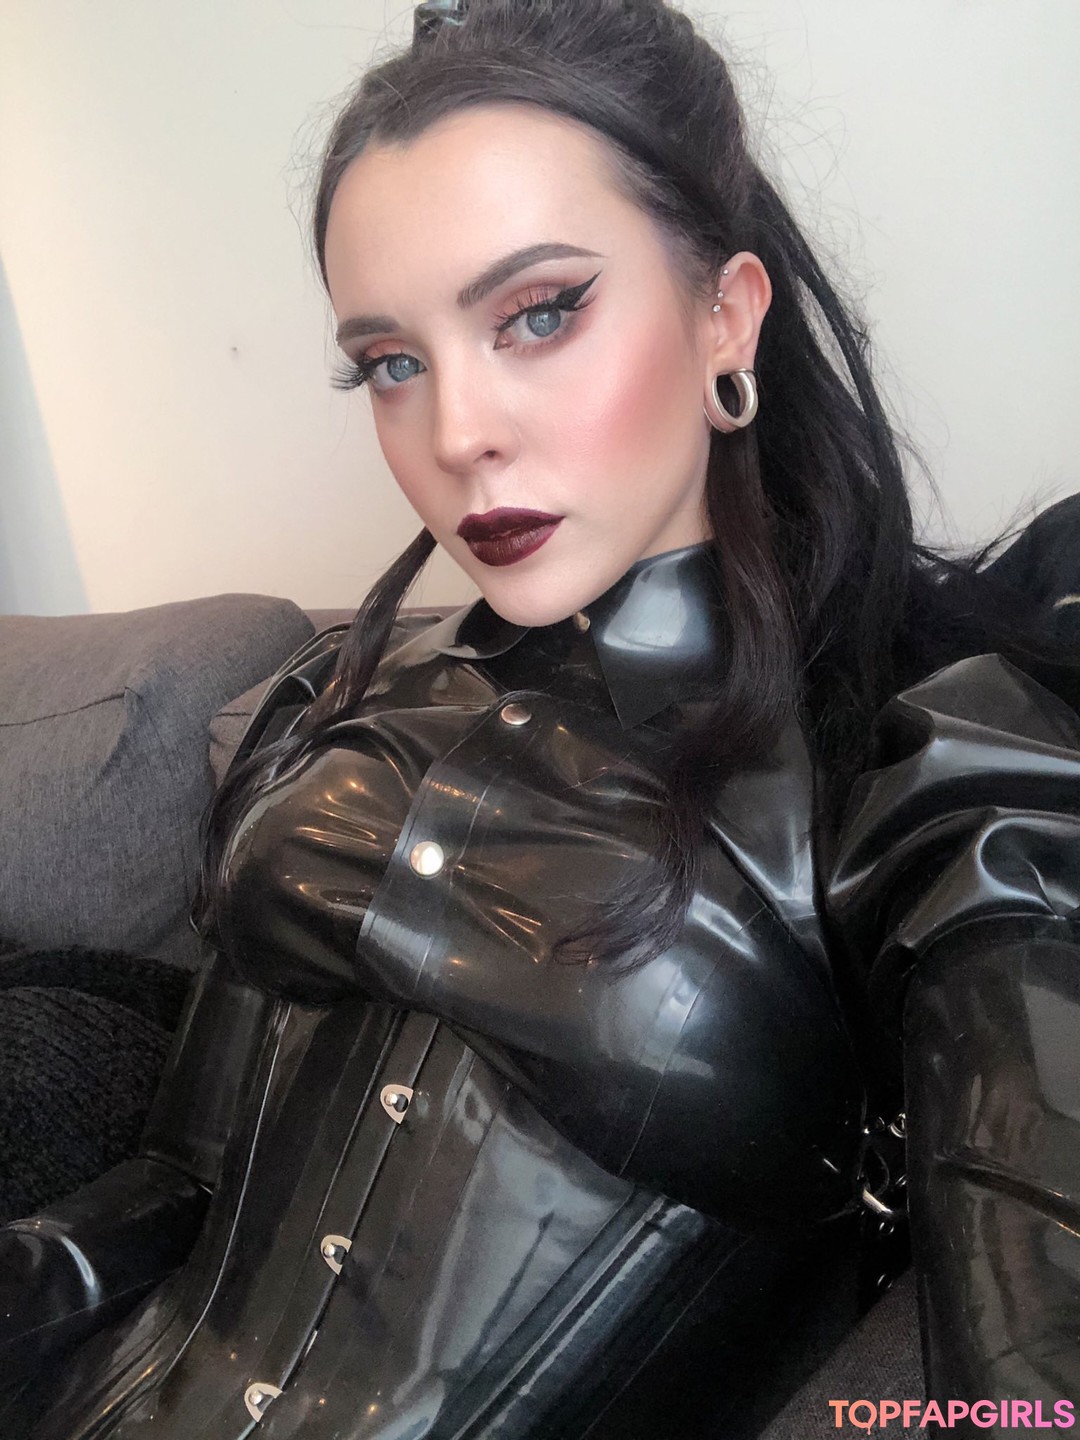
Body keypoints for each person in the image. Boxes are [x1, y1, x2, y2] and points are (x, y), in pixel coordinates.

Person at [2, 0, 1079, 1435]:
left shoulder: (935, 757)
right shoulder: (331, 702)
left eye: (541, 313)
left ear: (724, 312)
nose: (458, 435)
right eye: (392, 362)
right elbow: (190, 1183)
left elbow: (1035, 1365)